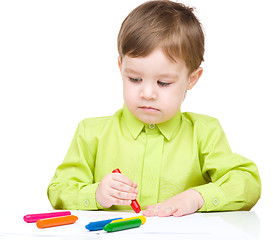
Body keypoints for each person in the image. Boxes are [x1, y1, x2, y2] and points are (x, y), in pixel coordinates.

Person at [47, 0, 261, 217]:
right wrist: (96, 194)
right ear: (121, 68)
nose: (147, 93)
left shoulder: (205, 133)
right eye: (134, 78)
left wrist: (197, 197)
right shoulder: (91, 133)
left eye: (163, 83)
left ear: (192, 79)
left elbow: (247, 183)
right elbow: (58, 191)